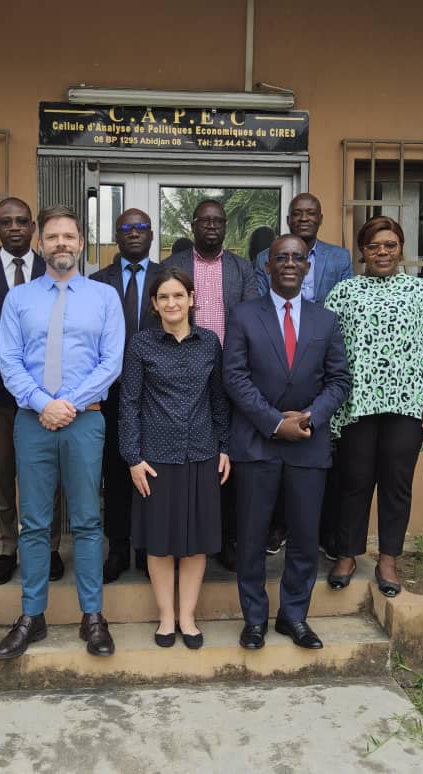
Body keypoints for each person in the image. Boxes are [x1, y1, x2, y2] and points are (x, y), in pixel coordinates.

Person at [0, 205, 124, 658]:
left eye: (69, 236)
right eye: (53, 237)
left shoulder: (104, 298)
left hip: (84, 419)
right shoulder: (19, 299)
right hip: (32, 422)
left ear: (81, 243)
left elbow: (112, 361)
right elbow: (8, 362)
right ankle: (33, 615)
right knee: (34, 524)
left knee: (88, 521)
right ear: (40, 243)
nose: (61, 244)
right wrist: (43, 404)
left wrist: (65, 405)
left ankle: (93, 616)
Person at [223, 235, 350, 650]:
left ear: (308, 267)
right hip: (258, 443)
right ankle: (255, 619)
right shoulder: (242, 315)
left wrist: (312, 416)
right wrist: (276, 423)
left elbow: (339, 380)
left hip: (309, 445)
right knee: (253, 536)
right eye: (282, 257)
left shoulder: (325, 320)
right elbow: (235, 378)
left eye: (297, 257)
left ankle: (293, 616)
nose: (290, 263)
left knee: (303, 535)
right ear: (268, 266)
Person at [323, 216, 423, 597]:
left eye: (390, 245)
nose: (382, 252)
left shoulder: (421, 292)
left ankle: (388, 560)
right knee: (353, 483)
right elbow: (327, 347)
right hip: (357, 404)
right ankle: (348, 554)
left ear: (401, 249)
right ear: (362, 251)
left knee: (396, 485)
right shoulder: (344, 292)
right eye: (373, 246)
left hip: (408, 405)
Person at [119, 266, 230, 649]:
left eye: (178, 296)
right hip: (155, 458)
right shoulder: (141, 345)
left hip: (201, 453)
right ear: (154, 304)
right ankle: (167, 617)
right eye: (164, 297)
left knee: (196, 543)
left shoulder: (209, 343)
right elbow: (129, 403)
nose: (171, 303)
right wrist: (132, 457)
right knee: (160, 543)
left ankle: (188, 617)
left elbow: (219, 400)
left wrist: (225, 446)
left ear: (192, 299)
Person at [0, 198, 62, 586]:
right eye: (7, 222)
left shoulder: (54, 270)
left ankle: (48, 548)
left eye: (23, 221)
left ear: (34, 227)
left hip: (46, 396)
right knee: (0, 476)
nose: (16, 227)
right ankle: (6, 548)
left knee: (45, 477)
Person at [255, 193, 353, 557]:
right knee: (275, 465)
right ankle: (278, 527)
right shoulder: (265, 259)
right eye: (297, 213)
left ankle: (320, 533)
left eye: (311, 213)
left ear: (320, 218)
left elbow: (343, 304)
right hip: (276, 361)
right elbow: (260, 309)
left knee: (320, 464)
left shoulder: (338, 258)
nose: (304, 218)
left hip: (318, 359)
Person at [165, 199, 259, 571]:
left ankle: (226, 540)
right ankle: (182, 538)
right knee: (187, 462)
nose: (211, 226)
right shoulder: (174, 267)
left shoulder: (243, 268)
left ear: (225, 227)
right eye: (203, 220)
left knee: (228, 462)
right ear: (192, 225)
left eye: (217, 221)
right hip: (184, 376)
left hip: (230, 375)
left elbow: (252, 320)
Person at [89, 208, 163, 584]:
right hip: (111, 393)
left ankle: (146, 548)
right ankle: (117, 548)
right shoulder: (96, 282)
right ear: (116, 236)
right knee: (116, 471)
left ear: (151, 235)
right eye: (126, 228)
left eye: (141, 228)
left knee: (150, 469)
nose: (134, 233)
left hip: (157, 393)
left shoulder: (167, 279)